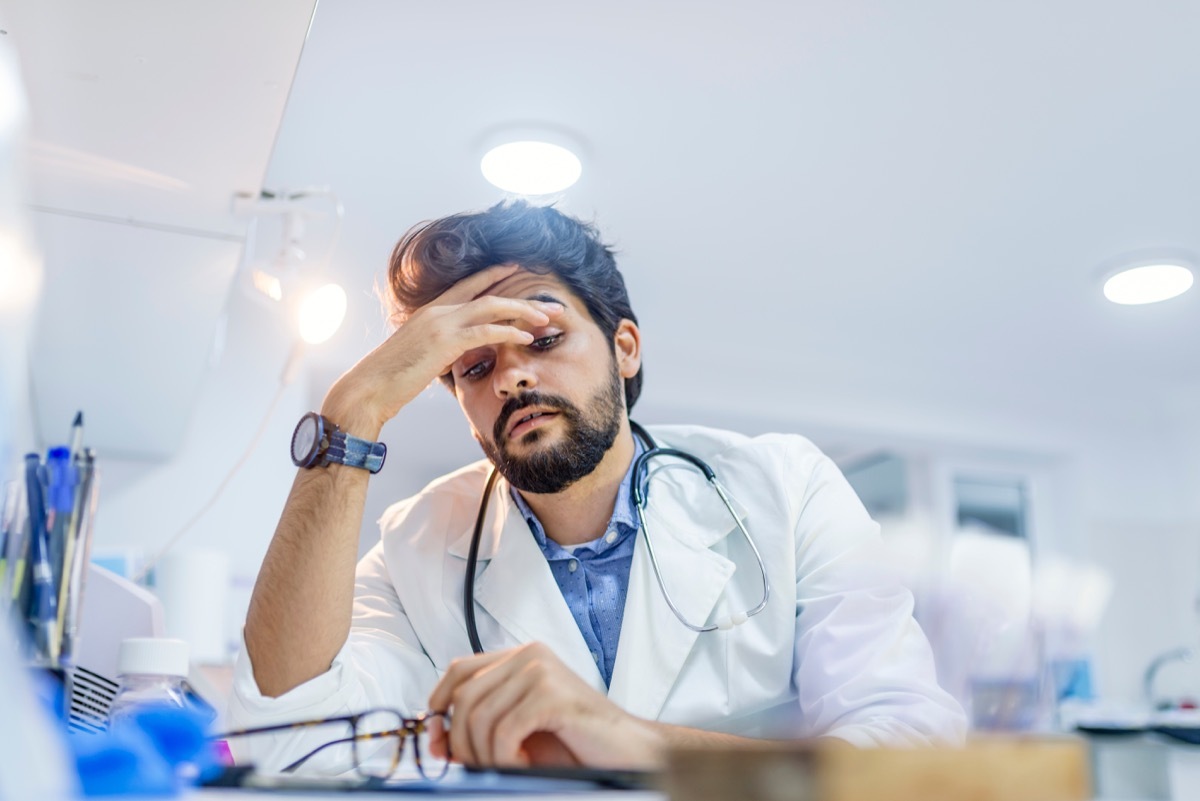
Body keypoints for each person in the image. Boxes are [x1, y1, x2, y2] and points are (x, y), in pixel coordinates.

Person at [227, 200, 966, 774]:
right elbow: (293, 735)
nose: (513, 375)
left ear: (625, 347)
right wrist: (352, 410)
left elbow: (908, 757)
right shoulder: (414, 546)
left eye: (544, 339)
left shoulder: (785, 486)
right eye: (473, 366)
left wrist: (627, 741)